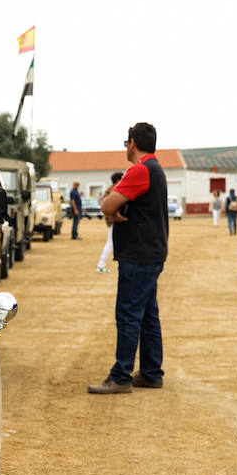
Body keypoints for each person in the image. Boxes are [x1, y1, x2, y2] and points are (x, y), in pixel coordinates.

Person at [88, 122, 167, 394]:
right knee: (147, 315)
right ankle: (151, 372)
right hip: (151, 251)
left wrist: (113, 208)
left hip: (138, 254)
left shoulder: (140, 170)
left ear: (132, 143)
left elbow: (107, 204)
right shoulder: (155, 168)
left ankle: (121, 375)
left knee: (129, 314)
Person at [96, 171, 124, 272]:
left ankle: (101, 265)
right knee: (110, 243)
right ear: (118, 180)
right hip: (113, 220)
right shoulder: (114, 190)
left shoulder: (109, 190)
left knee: (111, 242)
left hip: (111, 219)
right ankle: (101, 265)